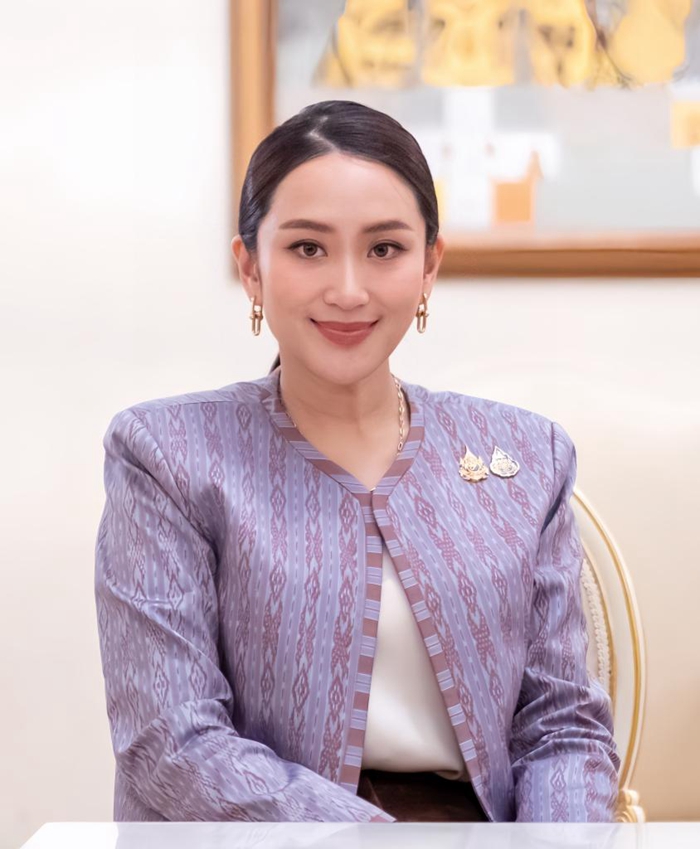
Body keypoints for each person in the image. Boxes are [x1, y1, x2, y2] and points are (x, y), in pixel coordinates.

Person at [94, 99, 621, 824]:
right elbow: (172, 742)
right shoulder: (166, 455)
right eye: (308, 248)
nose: (348, 290)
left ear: (429, 265)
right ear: (250, 267)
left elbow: (561, 727)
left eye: (385, 249)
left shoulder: (531, 455)